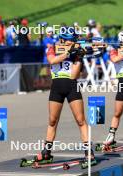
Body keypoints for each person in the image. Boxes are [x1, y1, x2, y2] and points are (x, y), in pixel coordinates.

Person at [35, 27, 97, 167]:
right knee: (52, 121)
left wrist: (78, 57)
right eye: (69, 40)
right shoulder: (52, 47)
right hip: (56, 86)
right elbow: (52, 61)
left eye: (73, 41)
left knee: (81, 120)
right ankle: (47, 152)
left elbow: (74, 75)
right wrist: (68, 52)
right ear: (62, 40)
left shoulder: (77, 50)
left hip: (71, 86)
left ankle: (88, 153)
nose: (71, 43)